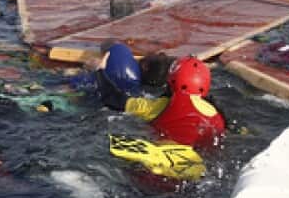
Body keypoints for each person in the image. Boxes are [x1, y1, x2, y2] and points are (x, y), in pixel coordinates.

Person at [95, 45, 226, 149]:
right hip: (201, 154)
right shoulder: (217, 114)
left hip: (164, 149)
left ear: (172, 81)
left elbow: (112, 99)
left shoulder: (159, 106)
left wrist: (100, 71)